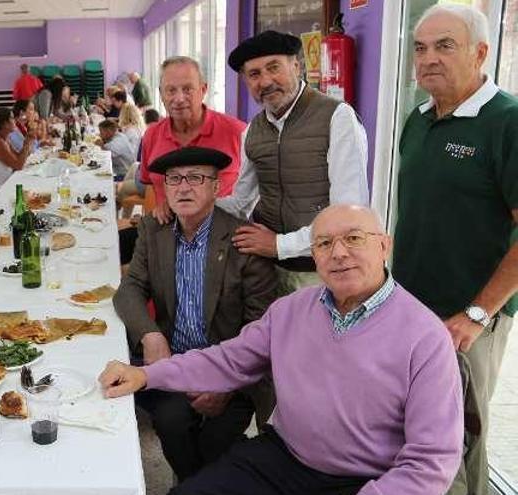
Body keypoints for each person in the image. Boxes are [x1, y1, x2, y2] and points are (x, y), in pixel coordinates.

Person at [102, 204, 464, 495]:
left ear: (384, 245)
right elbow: (228, 360)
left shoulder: (425, 336)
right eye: (323, 244)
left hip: (366, 480)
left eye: (354, 238)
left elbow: (431, 463)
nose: (338, 253)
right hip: (282, 457)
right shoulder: (292, 309)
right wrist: (147, 374)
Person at [392, 5, 518, 494]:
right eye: (420, 48)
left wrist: (477, 314)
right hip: (411, 308)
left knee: (463, 440)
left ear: (480, 52)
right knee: (418, 436)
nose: (428, 59)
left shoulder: (506, 121)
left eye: (445, 46)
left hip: (468, 321)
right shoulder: (417, 120)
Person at [114, 147, 278, 481]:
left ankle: (196, 483)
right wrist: (151, 334)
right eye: (174, 179)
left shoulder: (243, 242)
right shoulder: (153, 230)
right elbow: (130, 288)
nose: (183, 187)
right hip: (172, 363)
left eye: (196, 178)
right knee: (171, 422)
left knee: (216, 439)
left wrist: (228, 383)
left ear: (217, 188)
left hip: (229, 368)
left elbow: (261, 329)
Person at [217, 30, 369, 295]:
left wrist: (278, 244)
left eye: (273, 67)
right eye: (254, 74)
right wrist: (194, 205)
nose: (265, 81)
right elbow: (242, 203)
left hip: (321, 273)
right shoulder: (252, 131)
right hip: (267, 270)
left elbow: (348, 215)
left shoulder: (337, 117)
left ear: (297, 66)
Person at [139, 56, 245, 225]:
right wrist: (154, 215)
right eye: (171, 90)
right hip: (167, 232)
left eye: (187, 89)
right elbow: (151, 183)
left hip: (222, 234)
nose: (179, 99)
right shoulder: (151, 135)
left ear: (203, 90)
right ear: (161, 94)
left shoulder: (238, 132)